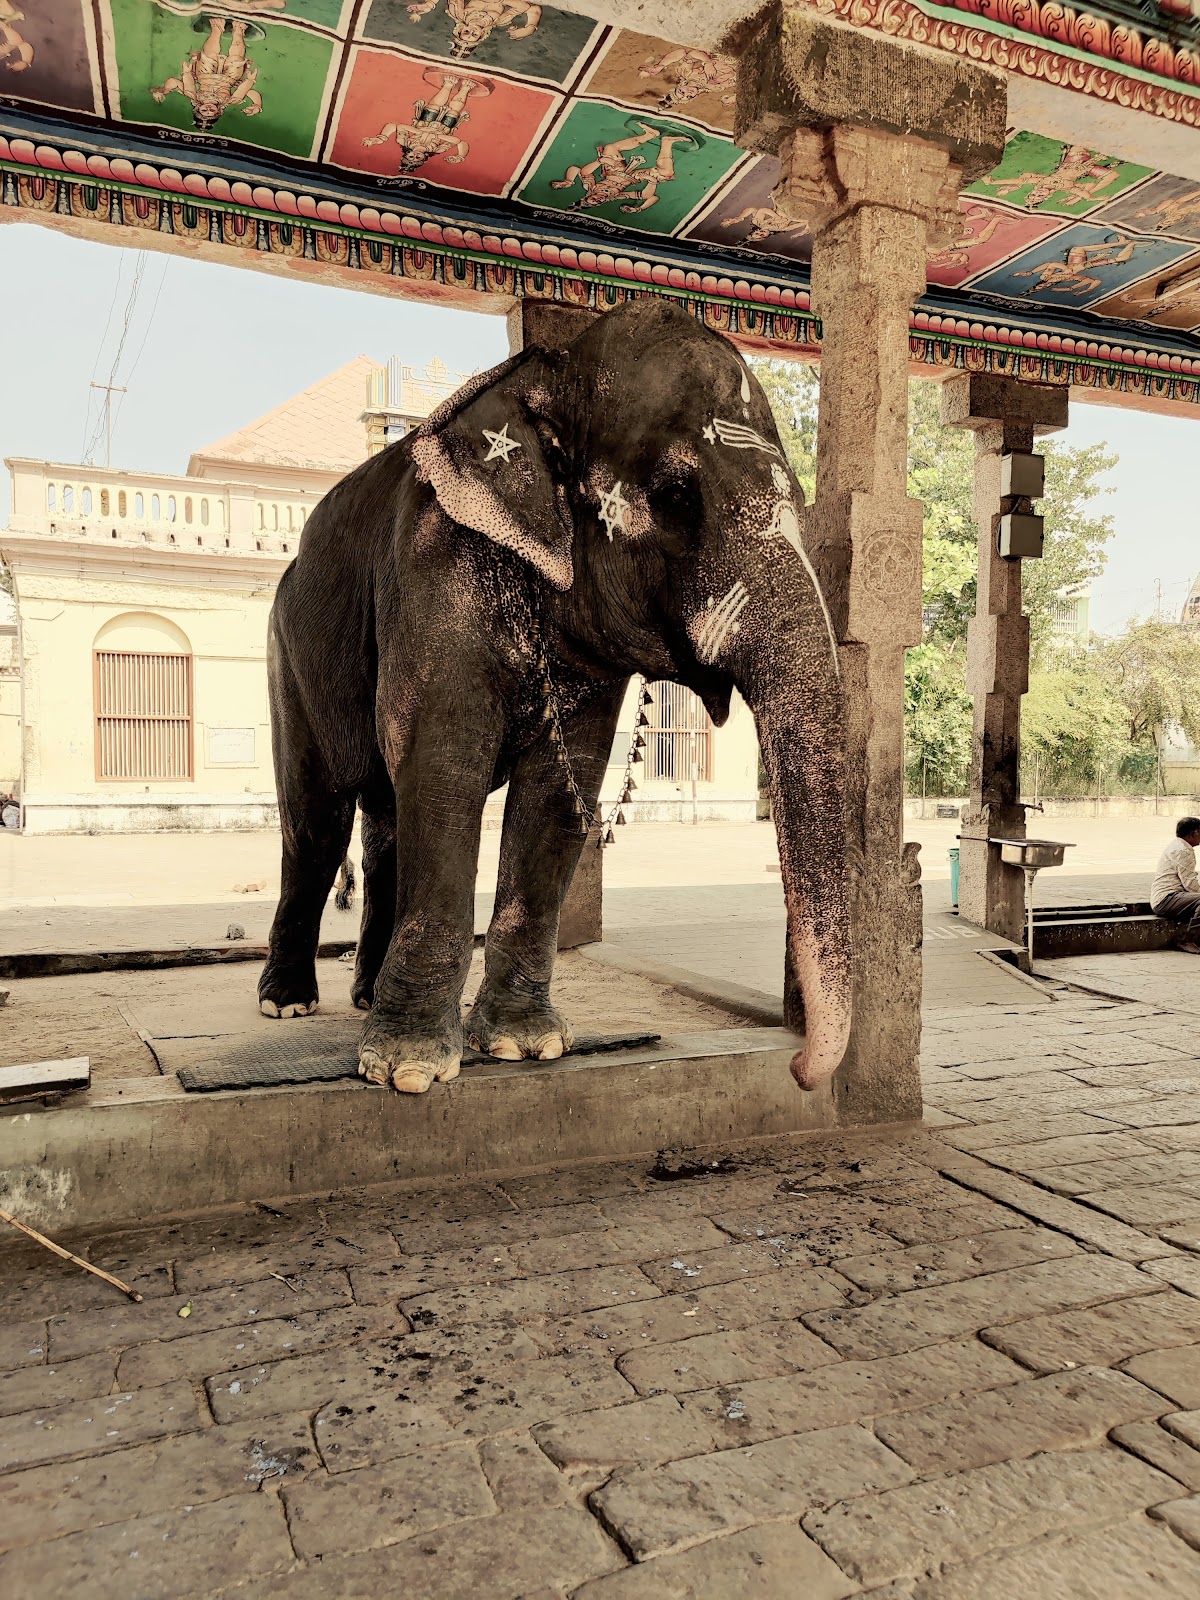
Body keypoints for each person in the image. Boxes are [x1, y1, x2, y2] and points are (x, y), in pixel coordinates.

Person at [1151, 817, 1200, 952]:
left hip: (1169, 897)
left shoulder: (1178, 845)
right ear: (1193, 833)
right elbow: (1190, 885)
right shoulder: (1183, 851)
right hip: (1166, 899)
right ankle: (1187, 940)